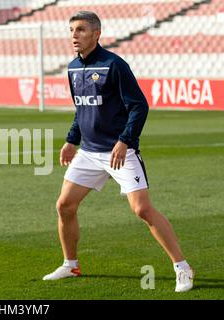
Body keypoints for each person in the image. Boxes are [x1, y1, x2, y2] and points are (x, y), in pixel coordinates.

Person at [42, 11, 194, 293]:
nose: (74, 35)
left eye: (81, 30)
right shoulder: (73, 67)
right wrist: (70, 140)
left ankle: (182, 267)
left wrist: (125, 141)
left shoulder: (114, 65)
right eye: (72, 30)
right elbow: (82, 108)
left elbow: (139, 105)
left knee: (142, 210)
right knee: (64, 206)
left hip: (119, 151)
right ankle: (71, 264)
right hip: (88, 152)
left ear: (96, 34)